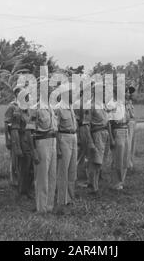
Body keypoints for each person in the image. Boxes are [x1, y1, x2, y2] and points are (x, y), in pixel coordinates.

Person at [32, 78, 58, 213]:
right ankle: (41, 208)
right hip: (41, 142)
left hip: (53, 141)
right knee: (42, 176)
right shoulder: (35, 108)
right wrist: (34, 151)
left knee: (52, 175)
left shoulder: (51, 108)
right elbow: (29, 131)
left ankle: (49, 206)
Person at [55, 83, 78, 214]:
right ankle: (62, 200)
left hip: (73, 136)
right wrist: (58, 147)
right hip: (64, 138)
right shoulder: (58, 108)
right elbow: (56, 129)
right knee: (63, 170)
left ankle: (70, 197)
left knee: (72, 170)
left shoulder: (70, 106)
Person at [88, 84, 113, 196]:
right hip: (96, 133)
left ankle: (96, 184)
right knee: (96, 161)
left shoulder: (102, 105)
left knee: (101, 161)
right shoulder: (91, 106)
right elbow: (87, 124)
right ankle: (94, 187)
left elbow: (107, 122)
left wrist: (111, 138)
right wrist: (90, 141)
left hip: (105, 133)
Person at [108, 93, 131, 190]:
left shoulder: (124, 105)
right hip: (117, 131)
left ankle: (122, 181)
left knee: (125, 157)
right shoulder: (112, 104)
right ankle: (115, 183)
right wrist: (111, 138)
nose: (127, 94)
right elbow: (108, 123)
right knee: (118, 158)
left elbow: (128, 119)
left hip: (125, 130)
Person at [4, 86, 23, 187]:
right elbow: (7, 123)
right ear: (16, 94)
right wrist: (7, 139)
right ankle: (14, 180)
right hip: (14, 132)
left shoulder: (25, 106)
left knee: (22, 156)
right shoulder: (12, 106)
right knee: (15, 157)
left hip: (23, 133)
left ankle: (21, 178)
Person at [126, 86, 136, 170]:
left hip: (133, 123)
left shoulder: (130, 102)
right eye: (129, 92)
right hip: (128, 123)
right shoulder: (125, 103)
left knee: (132, 144)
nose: (130, 94)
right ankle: (127, 163)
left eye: (130, 92)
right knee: (128, 144)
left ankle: (131, 163)